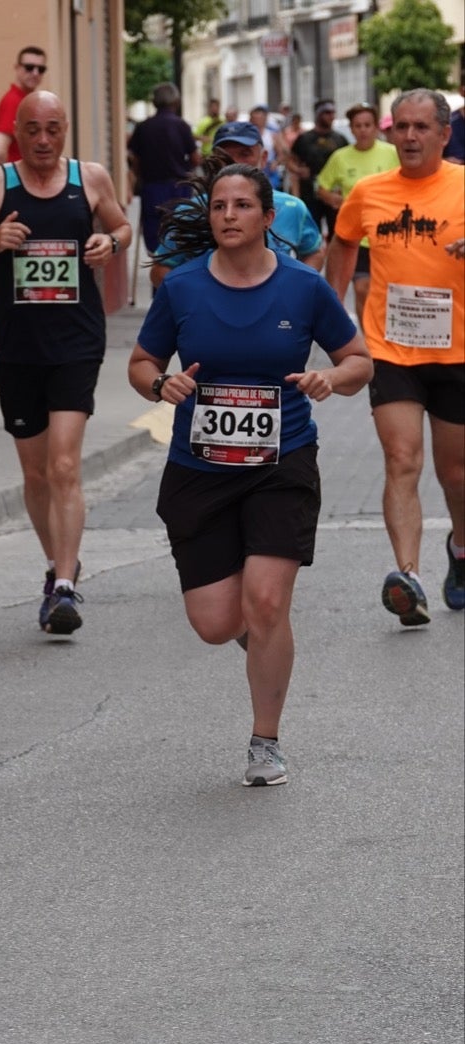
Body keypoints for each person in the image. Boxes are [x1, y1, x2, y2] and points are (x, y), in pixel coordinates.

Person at [129, 164, 372, 786]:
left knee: (266, 601)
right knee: (215, 624)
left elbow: (358, 361)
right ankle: (266, 645)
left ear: (269, 217)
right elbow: (141, 361)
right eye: (218, 206)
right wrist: (161, 384)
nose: (229, 215)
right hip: (199, 468)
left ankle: (266, 741)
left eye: (242, 205)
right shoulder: (182, 288)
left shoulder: (302, 287)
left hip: (281, 462)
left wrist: (330, 378)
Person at [0, 90, 131, 634]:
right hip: (18, 347)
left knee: (65, 465)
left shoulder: (90, 178)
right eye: (33, 130)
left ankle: (65, 585)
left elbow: (122, 227)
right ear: (17, 130)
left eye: (54, 129)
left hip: (77, 341)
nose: (44, 140)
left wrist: (109, 246)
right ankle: (55, 563)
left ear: (66, 130)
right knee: (36, 472)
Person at [325, 89, 465, 626]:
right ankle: (408, 576)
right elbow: (342, 242)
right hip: (392, 347)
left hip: (456, 351)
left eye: (420, 127)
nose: (408, 137)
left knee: (456, 476)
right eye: (401, 127)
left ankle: (459, 548)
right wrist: (330, 314)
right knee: (402, 460)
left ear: (444, 134)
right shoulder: (368, 192)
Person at [150, 120, 325, 289]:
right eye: (224, 155)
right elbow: (160, 269)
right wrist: (196, 299)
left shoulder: (291, 208)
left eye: (245, 154)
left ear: (263, 158)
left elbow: (314, 252)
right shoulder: (189, 213)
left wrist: (293, 289)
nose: (233, 162)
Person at [316, 102, 399, 328]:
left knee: (388, 292)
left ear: (376, 127)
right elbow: (321, 186)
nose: (363, 130)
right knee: (362, 289)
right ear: (351, 129)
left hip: (390, 235)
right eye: (358, 126)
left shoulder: (392, 153)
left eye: (367, 125)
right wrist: (333, 199)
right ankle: (370, 340)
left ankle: (389, 333)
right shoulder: (340, 157)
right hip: (357, 236)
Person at [127, 82, 200, 254]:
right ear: (176, 102)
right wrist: (186, 167)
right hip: (179, 188)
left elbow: (134, 159)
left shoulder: (143, 127)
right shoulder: (182, 125)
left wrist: (137, 177)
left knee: (154, 237)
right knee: (180, 235)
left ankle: (158, 275)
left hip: (152, 188)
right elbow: (196, 157)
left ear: (154, 103)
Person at [288, 99, 348, 238]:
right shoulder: (304, 138)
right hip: (309, 193)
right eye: (327, 112)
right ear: (318, 114)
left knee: (337, 233)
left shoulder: (340, 139)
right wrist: (298, 170)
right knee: (311, 232)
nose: (331, 116)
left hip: (332, 194)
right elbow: (290, 161)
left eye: (333, 112)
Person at [0, 45, 47, 165]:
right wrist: (5, 181)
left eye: (41, 69)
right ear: (17, 68)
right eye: (29, 67)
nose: (35, 73)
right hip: (17, 178)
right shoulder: (14, 101)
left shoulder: (26, 101)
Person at [248, 105, 281, 188]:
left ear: (265, 119)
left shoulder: (272, 135)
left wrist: (276, 162)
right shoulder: (246, 136)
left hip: (269, 170)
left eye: (259, 118)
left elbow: (282, 154)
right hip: (252, 168)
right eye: (254, 118)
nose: (256, 121)